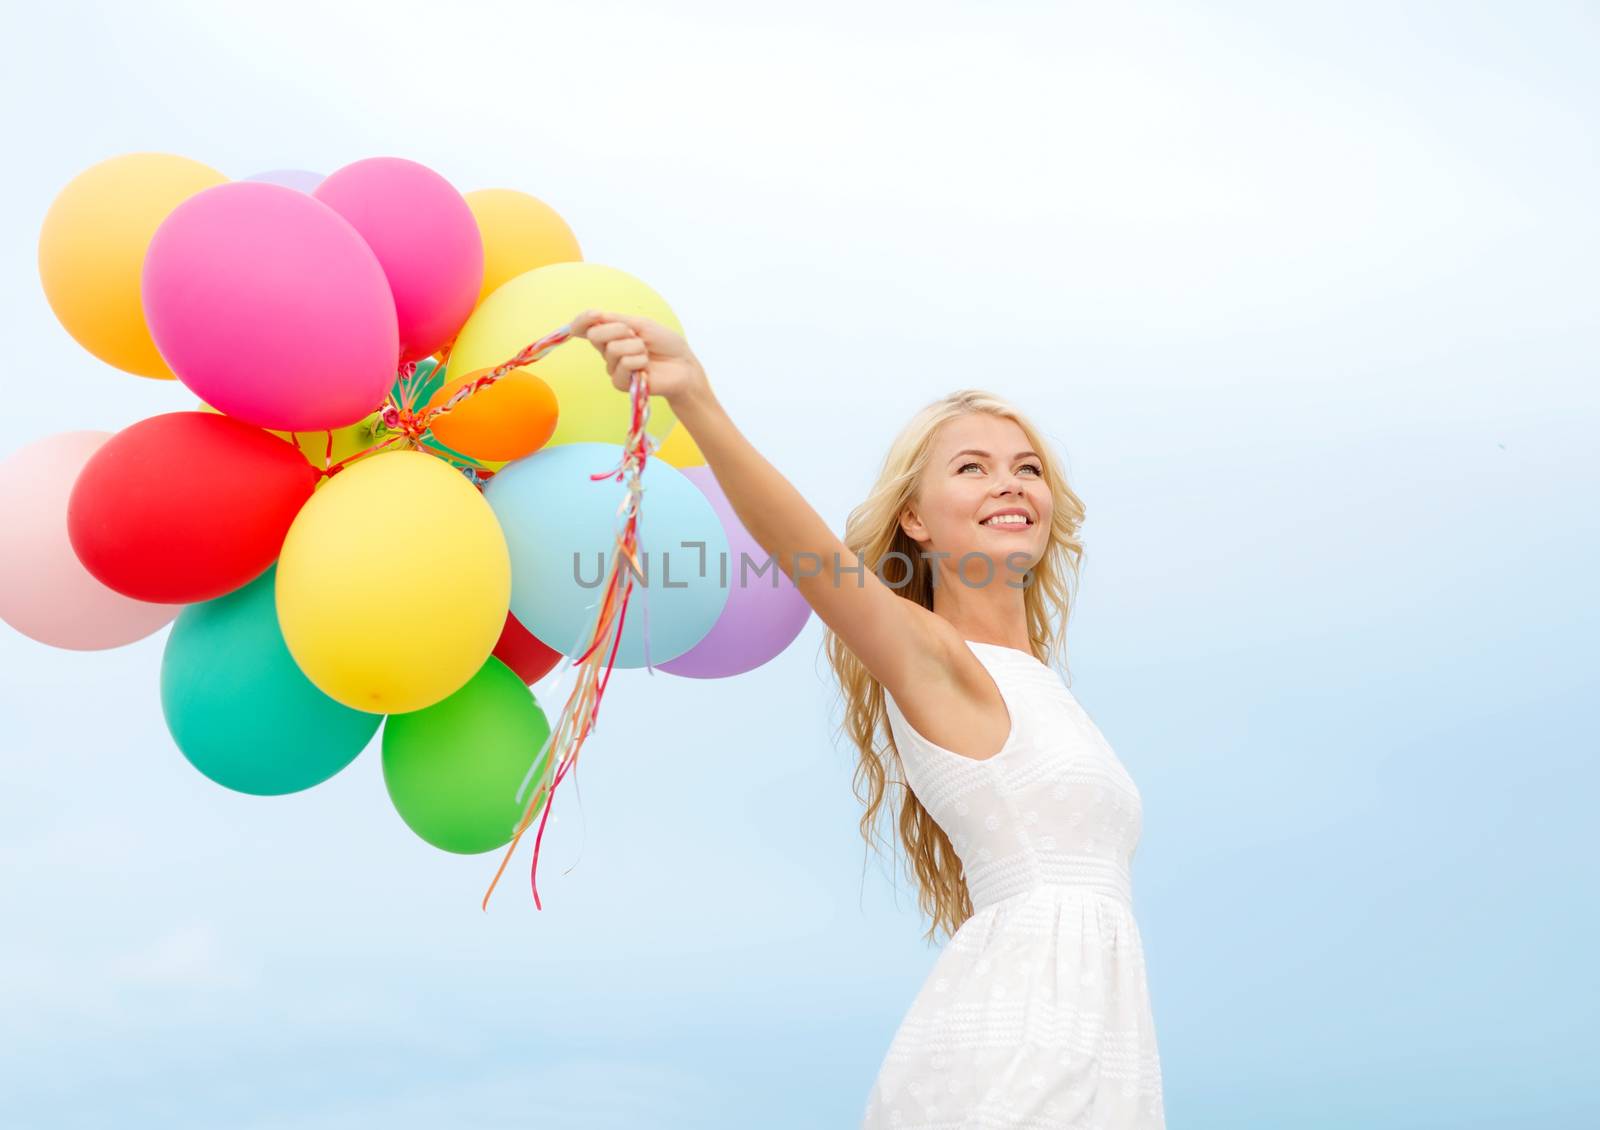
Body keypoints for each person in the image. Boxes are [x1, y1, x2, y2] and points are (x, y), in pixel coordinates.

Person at [573, 309, 1166, 1128]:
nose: (1009, 483)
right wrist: (695, 399)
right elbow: (806, 553)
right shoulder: (935, 657)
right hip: (1017, 1057)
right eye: (971, 467)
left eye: (1027, 467)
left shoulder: (1044, 692)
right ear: (916, 520)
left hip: (1091, 1047)